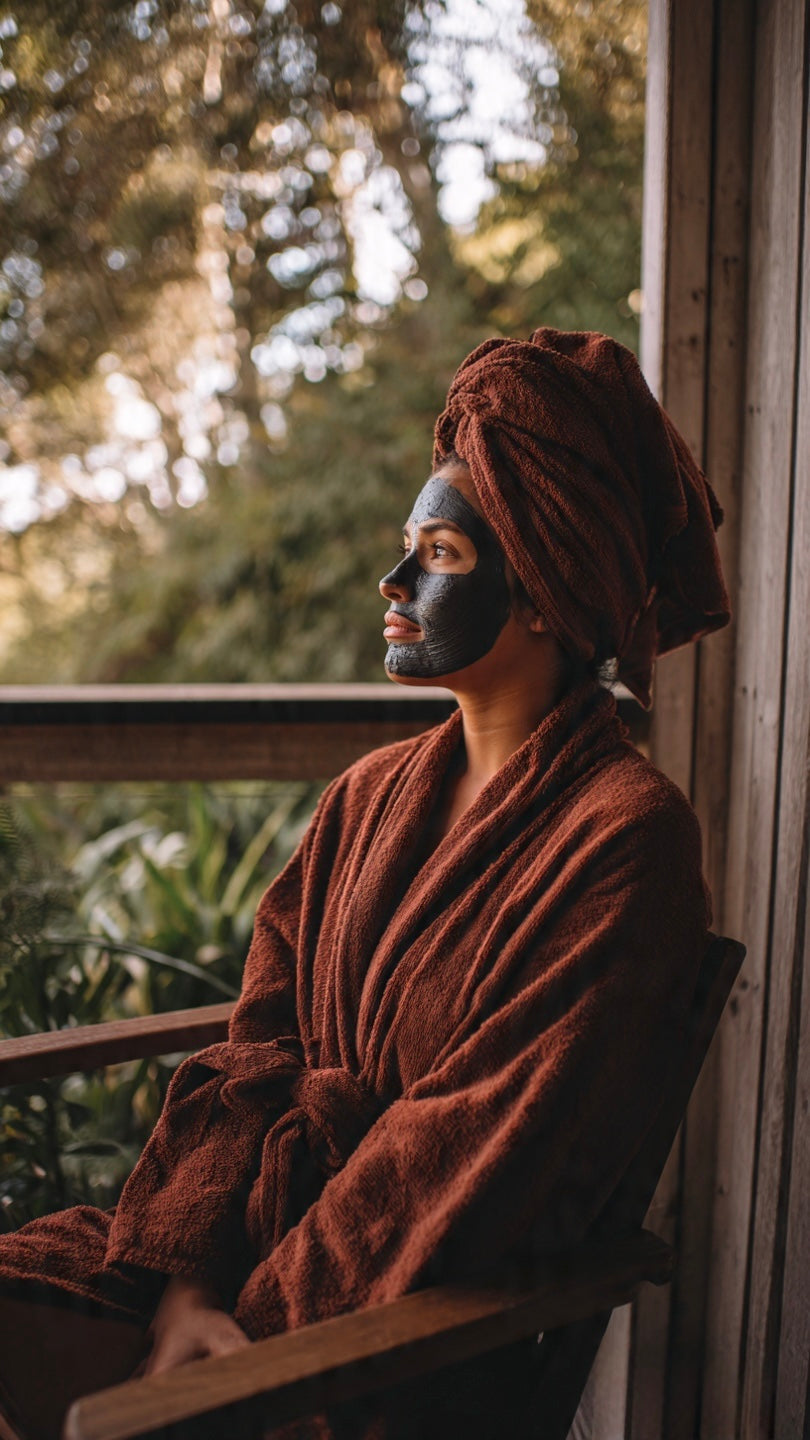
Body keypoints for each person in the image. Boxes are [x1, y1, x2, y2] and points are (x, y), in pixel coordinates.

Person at [0, 328, 730, 1440]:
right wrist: (187, 1292)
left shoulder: (625, 843)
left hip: (383, 1337)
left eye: (439, 554)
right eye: (407, 547)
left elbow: (466, 1168)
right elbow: (256, 1050)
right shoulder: (367, 795)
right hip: (229, 1261)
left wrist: (233, 1350)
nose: (393, 582)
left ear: (544, 586)